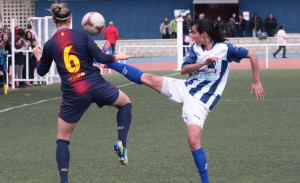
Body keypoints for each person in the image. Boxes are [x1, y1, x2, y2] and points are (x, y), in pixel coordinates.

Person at [105, 19, 265, 183]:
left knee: (193, 141)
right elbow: (183, 70)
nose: (192, 35)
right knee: (148, 78)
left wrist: (256, 81)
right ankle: (109, 62)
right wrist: (203, 63)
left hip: (202, 100)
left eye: (194, 32)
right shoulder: (195, 48)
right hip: (186, 87)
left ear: (204, 34)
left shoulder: (225, 49)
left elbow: (252, 55)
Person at [32, 3, 132, 183]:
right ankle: (121, 143)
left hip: (73, 93)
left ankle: (64, 181)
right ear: (71, 20)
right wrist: (118, 57)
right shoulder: (82, 35)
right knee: (125, 103)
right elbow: (102, 58)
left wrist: (38, 55)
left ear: (54, 20)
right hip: (95, 84)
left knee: (63, 139)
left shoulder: (50, 44)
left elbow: (41, 72)